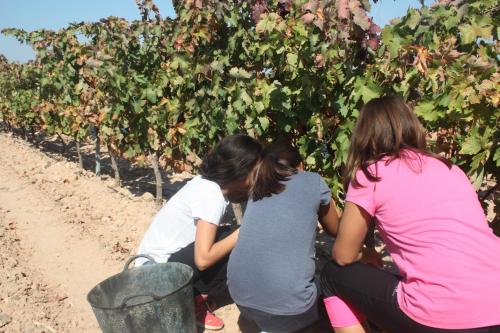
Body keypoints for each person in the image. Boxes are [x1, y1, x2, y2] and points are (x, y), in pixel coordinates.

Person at [320, 95, 500, 333]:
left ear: (363, 136)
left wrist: (364, 254)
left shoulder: (370, 175)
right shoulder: (449, 168)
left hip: (443, 314)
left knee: (332, 275)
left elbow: (343, 255)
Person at [136, 134, 262, 330]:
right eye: (255, 173)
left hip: (151, 266)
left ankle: (194, 298)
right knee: (242, 244)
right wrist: (246, 231)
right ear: (240, 171)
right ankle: (193, 302)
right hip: (158, 277)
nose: (256, 181)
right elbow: (203, 260)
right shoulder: (212, 195)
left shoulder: (204, 183)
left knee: (229, 235)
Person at [227, 143, 340, 333]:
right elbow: (335, 230)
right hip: (292, 310)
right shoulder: (313, 181)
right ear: (301, 165)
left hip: (240, 298)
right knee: (336, 285)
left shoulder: (257, 185)